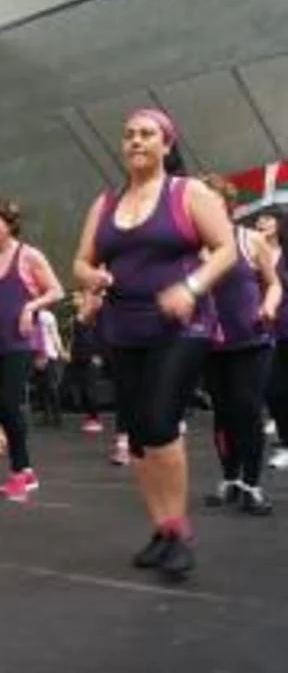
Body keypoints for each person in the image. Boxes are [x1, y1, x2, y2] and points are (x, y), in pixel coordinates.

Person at [73, 108, 236, 580]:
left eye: (147, 134)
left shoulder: (189, 193)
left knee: (161, 422)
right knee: (138, 434)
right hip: (123, 328)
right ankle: (161, 528)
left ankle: (180, 531)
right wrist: (92, 277)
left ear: (166, 144)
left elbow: (226, 249)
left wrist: (191, 288)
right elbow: (81, 262)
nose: (136, 141)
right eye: (129, 135)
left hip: (179, 326)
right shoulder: (105, 203)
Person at [0, 200, 64, 502]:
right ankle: (24, 471)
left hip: (17, 341)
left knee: (9, 401)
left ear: (10, 224)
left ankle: (21, 471)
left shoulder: (29, 255)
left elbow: (56, 290)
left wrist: (30, 307)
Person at [201, 174, 280, 514]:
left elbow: (273, 283)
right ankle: (230, 478)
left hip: (251, 341)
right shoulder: (190, 248)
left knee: (247, 410)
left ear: (228, 206)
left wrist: (268, 306)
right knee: (223, 413)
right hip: (210, 345)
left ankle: (251, 484)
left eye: (212, 201)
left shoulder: (250, 240)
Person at [255, 211, 288, 469]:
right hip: (264, 328)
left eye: (268, 218)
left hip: (286, 324)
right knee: (273, 387)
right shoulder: (253, 252)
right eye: (259, 219)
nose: (262, 223)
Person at [69, 291, 104, 436]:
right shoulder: (76, 317)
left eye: (77, 297)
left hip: (91, 358)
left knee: (90, 390)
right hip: (79, 357)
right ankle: (90, 416)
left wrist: (98, 355)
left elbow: (100, 337)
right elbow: (75, 338)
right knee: (82, 389)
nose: (74, 299)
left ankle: (95, 419)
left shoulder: (95, 317)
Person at [32, 306, 65, 428]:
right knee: (42, 388)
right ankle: (46, 416)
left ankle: (57, 417)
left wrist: (60, 351)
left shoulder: (46, 316)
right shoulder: (30, 315)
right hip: (36, 356)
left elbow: (54, 334)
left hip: (49, 354)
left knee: (51, 387)